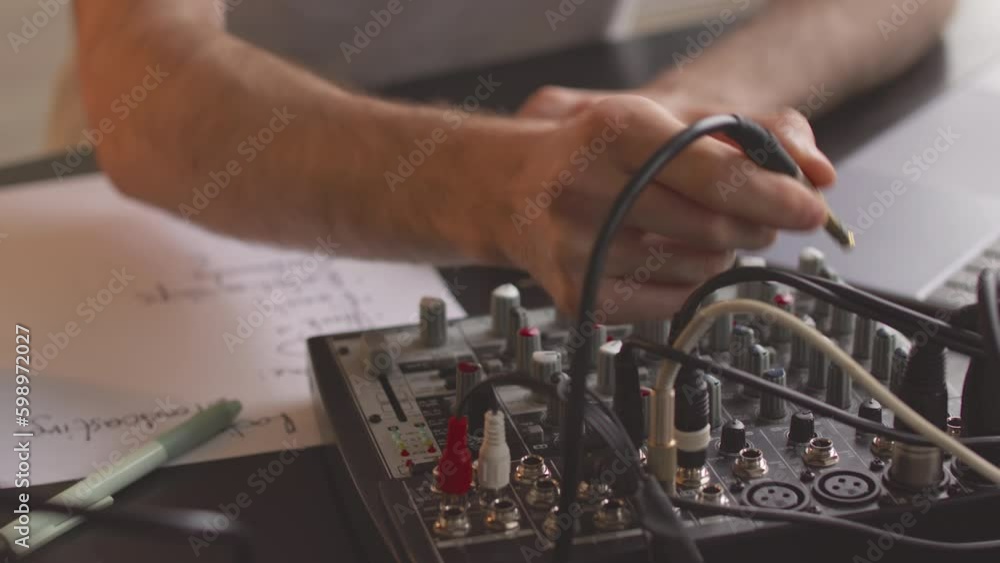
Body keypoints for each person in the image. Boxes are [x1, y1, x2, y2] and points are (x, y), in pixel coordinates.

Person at [67, 0, 957, 320]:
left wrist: (687, 113)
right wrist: (500, 192)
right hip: (178, 196)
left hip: (565, 139)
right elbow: (145, 76)